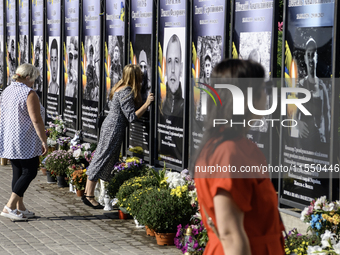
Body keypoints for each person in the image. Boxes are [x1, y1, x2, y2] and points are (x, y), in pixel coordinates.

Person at [194, 59, 285, 255]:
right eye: (264, 88)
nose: (267, 95)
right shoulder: (229, 152)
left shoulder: (234, 146)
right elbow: (230, 235)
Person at [83, 64, 154, 208]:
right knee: (102, 158)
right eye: (140, 74)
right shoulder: (127, 91)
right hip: (114, 128)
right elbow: (131, 117)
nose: (142, 77)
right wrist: (146, 104)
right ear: (134, 76)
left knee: (102, 156)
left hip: (109, 126)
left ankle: (87, 192)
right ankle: (89, 195)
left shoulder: (118, 87)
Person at [0, 63, 47, 220]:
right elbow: (36, 119)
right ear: (27, 78)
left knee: (18, 171)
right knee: (30, 171)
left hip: (9, 137)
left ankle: (20, 207)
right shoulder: (29, 93)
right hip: (24, 139)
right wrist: (44, 140)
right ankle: (9, 206)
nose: (34, 82)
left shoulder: (7, 90)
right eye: (33, 79)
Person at [293, 38, 330, 146]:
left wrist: (327, 139)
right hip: (304, 141)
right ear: (304, 58)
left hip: (319, 141)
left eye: (313, 55)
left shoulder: (322, 87)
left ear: (316, 58)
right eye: (308, 55)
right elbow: (293, 113)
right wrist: (298, 123)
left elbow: (327, 115)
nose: (310, 59)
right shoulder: (300, 85)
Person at [161, 34, 184, 117]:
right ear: (165, 67)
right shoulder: (158, 106)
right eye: (169, 61)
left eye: (176, 61)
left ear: (181, 69)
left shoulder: (187, 108)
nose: (173, 69)